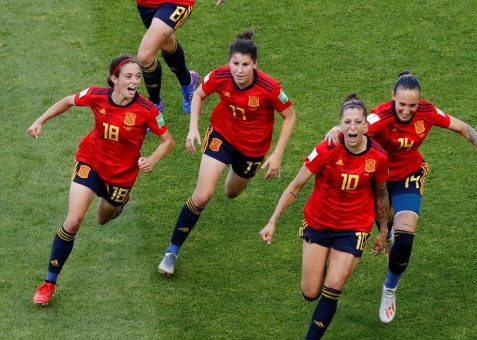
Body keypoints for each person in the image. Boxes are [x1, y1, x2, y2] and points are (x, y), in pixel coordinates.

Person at [326, 71, 477, 323]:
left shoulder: (427, 112)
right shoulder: (380, 117)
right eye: (402, 104)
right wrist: (336, 130)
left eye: (413, 105)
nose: (407, 111)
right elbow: (354, 128)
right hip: (379, 180)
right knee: (385, 222)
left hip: (409, 175)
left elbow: (462, 126)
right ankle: (386, 232)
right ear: (392, 98)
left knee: (405, 237)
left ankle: (389, 288)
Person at [29, 55, 175, 305]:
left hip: (121, 176)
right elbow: (67, 101)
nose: (135, 82)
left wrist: (152, 159)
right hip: (91, 162)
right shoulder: (97, 95)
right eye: (128, 76)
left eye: (138, 76)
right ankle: (49, 282)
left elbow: (168, 141)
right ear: (114, 79)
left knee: (101, 218)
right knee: (73, 221)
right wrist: (40, 120)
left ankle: (120, 202)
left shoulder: (147, 110)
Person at [157, 29, 297, 275]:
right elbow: (199, 95)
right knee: (202, 196)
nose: (239, 70)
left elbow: (289, 116)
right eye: (235, 63)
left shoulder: (269, 87)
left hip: (253, 149)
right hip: (222, 136)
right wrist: (193, 129)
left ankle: (233, 170)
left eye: (245, 64)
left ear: (255, 64)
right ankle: (171, 252)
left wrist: (277, 154)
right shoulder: (220, 76)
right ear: (229, 61)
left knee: (231, 192)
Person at [260, 94, 390, 339]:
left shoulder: (378, 157)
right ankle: (329, 262)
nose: (353, 127)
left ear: (365, 125)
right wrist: (272, 221)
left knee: (333, 287)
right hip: (319, 222)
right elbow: (295, 186)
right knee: (310, 292)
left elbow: (381, 194)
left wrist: (383, 231)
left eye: (357, 122)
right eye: (347, 122)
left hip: (354, 228)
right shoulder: (326, 149)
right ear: (340, 124)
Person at [136, 0, 225, 113]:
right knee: (167, 45)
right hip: (147, 5)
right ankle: (188, 81)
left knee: (145, 56)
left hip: (176, 3)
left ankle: (154, 105)